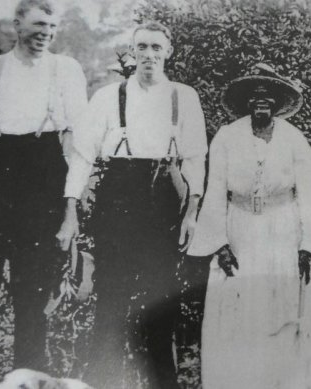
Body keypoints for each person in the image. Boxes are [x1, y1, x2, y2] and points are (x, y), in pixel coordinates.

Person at [56, 21, 207, 388]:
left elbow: (194, 158)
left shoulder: (183, 96)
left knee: (160, 300)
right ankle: (101, 380)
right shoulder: (109, 96)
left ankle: (161, 381)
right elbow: (82, 156)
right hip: (120, 198)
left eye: (157, 48)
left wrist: (191, 213)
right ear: (133, 51)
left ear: (168, 52)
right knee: (111, 295)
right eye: (142, 47)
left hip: (165, 202)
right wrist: (71, 209)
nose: (149, 55)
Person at [0, 0, 88, 386]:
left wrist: (71, 207)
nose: (45, 33)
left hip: (42, 177)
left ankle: (29, 380)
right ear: (17, 25)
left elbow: (80, 143)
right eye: (37, 24)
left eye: (51, 26)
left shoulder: (65, 70)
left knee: (33, 290)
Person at [188, 64, 311, 389]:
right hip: (239, 232)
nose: (261, 101)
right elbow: (216, 190)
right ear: (245, 101)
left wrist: (308, 245)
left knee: (282, 304)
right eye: (254, 96)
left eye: (268, 96)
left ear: (279, 102)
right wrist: (219, 243)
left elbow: (308, 195)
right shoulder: (226, 136)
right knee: (240, 306)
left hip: (284, 231)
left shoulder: (295, 140)